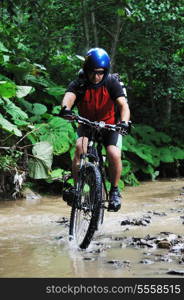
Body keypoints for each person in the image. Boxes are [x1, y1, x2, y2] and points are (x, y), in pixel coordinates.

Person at [60, 47, 130, 212]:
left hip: (109, 126)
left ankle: (114, 191)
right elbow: (69, 97)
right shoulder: (80, 82)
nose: (96, 76)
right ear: (86, 70)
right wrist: (65, 109)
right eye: (92, 72)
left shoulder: (112, 82)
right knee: (79, 148)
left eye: (100, 72)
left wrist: (124, 122)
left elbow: (123, 105)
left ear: (105, 71)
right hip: (86, 124)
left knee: (113, 153)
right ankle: (77, 189)